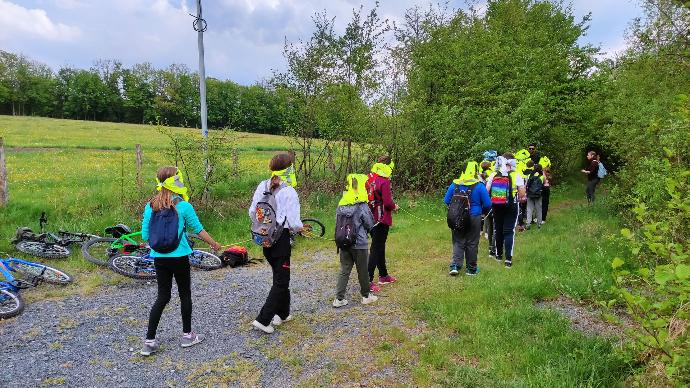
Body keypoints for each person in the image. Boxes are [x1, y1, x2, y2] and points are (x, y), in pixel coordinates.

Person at [140, 166, 222, 356]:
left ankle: (149, 341)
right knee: (185, 295)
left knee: (162, 297)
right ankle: (187, 336)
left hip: (159, 257)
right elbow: (199, 230)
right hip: (180, 257)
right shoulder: (184, 206)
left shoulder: (150, 206)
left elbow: (145, 235)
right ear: (175, 182)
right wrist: (214, 244)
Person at [249, 153, 303, 334]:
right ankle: (263, 320)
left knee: (279, 275)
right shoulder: (289, 191)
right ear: (289, 170)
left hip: (264, 238)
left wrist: (264, 227)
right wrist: (301, 229)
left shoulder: (262, 185)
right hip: (281, 240)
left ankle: (283, 313)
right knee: (281, 280)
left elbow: (252, 212)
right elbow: (294, 223)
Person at [333, 174, 378, 307]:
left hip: (344, 241)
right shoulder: (361, 205)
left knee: (344, 269)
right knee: (362, 270)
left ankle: (339, 299)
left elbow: (337, 222)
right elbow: (370, 224)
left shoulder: (342, 203)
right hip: (359, 243)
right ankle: (366, 296)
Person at [444, 161, 492, 276]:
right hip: (474, 216)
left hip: (457, 217)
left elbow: (446, 200)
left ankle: (455, 265)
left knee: (458, 240)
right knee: (472, 242)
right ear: (475, 171)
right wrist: (483, 212)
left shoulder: (454, 184)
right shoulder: (479, 186)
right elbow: (487, 204)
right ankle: (471, 269)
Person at [486, 154, 526, 268]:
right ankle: (508, 259)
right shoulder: (516, 174)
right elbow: (522, 193)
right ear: (512, 162)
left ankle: (498, 255)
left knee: (498, 230)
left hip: (496, 205)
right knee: (509, 231)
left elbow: (486, 190)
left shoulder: (494, 174)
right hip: (511, 205)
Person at [366, 156, 399, 293]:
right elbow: (388, 202)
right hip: (381, 218)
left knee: (379, 245)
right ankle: (367, 280)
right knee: (376, 248)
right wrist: (394, 206)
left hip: (369, 216)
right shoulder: (384, 181)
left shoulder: (370, 177)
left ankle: (383, 275)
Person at [525, 164, 545, 229]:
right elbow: (544, 184)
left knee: (529, 209)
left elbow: (526, 184)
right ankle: (539, 224)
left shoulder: (529, 175)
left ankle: (528, 224)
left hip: (530, 194)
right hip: (538, 195)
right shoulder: (542, 176)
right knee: (538, 209)